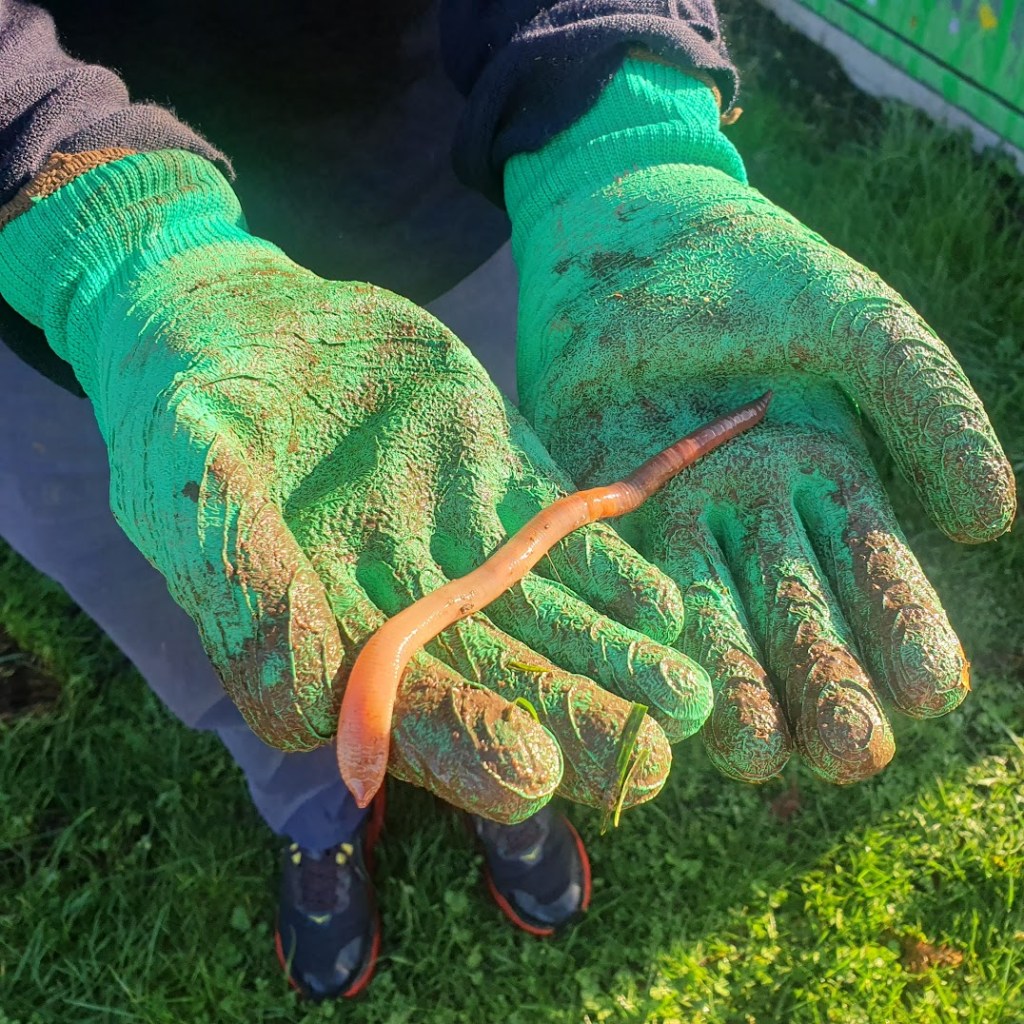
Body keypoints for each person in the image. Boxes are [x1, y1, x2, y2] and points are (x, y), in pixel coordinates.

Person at [0, 0, 1014, 1004]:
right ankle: (320, 810)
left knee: (474, 516)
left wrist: (611, 99)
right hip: (58, 279)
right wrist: (73, 191)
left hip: (444, 184)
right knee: (235, 624)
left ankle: (505, 787)